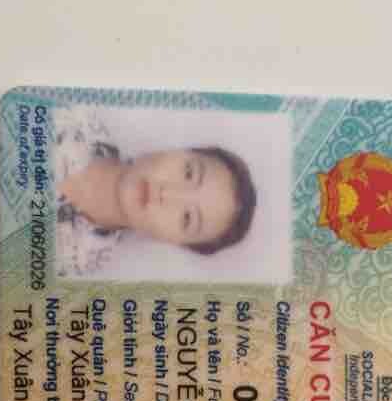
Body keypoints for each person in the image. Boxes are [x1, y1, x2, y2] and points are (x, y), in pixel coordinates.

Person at [53, 105, 257, 278]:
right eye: (188, 173)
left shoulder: (75, 267)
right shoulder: (67, 114)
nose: (166, 194)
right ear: (177, 151)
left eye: (187, 218)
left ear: (175, 242)